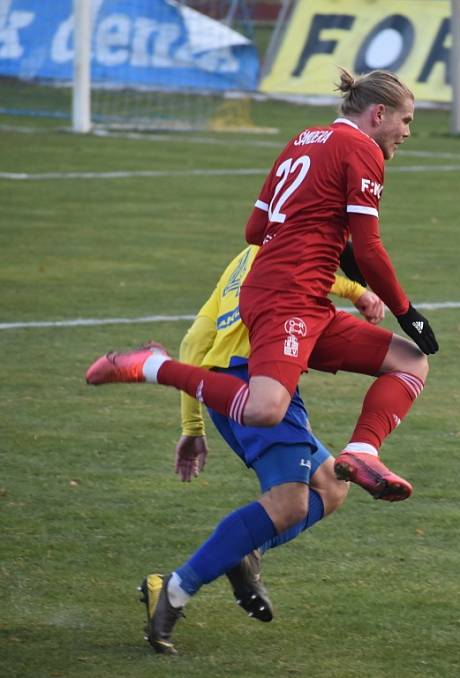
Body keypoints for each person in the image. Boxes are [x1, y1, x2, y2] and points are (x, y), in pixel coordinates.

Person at [87, 66, 438, 642]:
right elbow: (368, 246)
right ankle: (151, 365)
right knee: (267, 414)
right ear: (378, 114)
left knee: (402, 372)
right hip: (287, 300)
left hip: (296, 296)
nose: (406, 133)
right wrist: (407, 309)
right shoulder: (361, 150)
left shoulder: (303, 138)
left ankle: (361, 451)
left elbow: (256, 228)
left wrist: (325, 251)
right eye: (405, 121)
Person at [140, 243, 385, 654]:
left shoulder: (245, 256)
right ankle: (174, 589)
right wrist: (359, 293)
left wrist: (193, 426)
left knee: (330, 487)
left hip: (234, 390)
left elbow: (194, 340)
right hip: (257, 380)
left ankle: (245, 550)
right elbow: (318, 275)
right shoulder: (294, 246)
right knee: (290, 504)